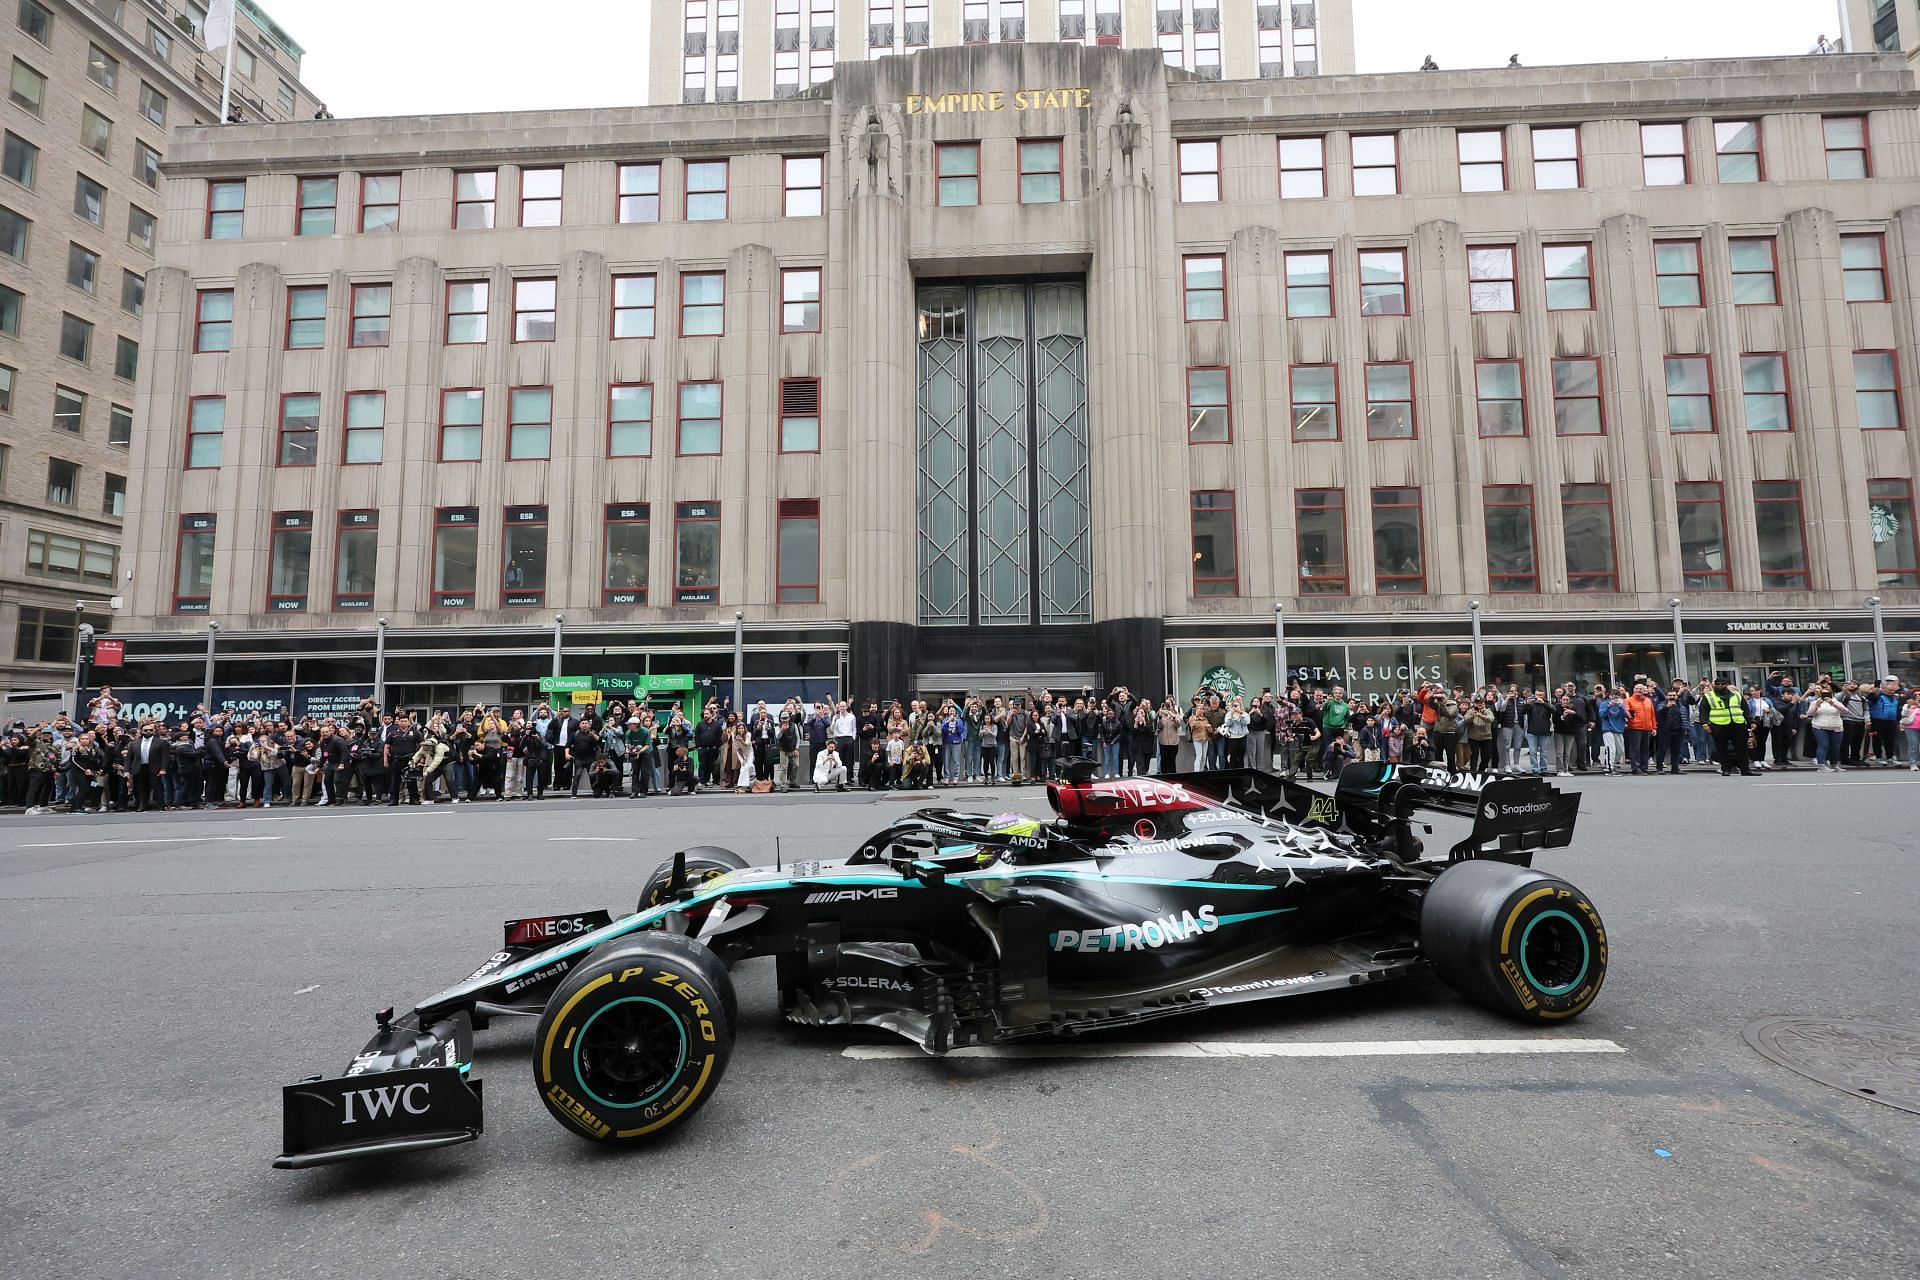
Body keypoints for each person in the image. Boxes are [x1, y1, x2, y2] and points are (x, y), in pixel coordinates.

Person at [1701, 674, 1754, 776]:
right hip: (1718, 725)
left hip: (1737, 723)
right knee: (1721, 748)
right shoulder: (1709, 696)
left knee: (1742, 748)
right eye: (1718, 684)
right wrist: (1704, 723)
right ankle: (1726, 769)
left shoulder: (1737, 695)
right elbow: (1703, 711)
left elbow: (1745, 709)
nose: (1720, 686)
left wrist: (1751, 721)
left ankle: (1745, 769)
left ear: (1727, 685)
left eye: (1723, 684)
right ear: (1715, 685)